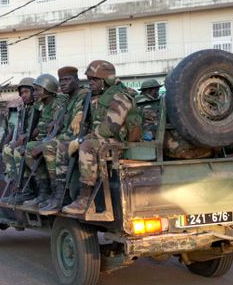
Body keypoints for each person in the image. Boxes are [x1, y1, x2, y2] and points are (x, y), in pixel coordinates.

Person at [62, 60, 141, 215]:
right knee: (64, 146)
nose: (90, 83)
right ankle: (62, 193)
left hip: (123, 143)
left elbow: (110, 127)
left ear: (106, 80)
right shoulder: (98, 96)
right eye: (89, 79)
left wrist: (81, 140)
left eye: (94, 80)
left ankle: (84, 200)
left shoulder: (120, 96)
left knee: (87, 145)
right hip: (108, 141)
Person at [38, 66, 90, 214]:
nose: (63, 83)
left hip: (78, 135)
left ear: (77, 80)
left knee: (50, 146)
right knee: (41, 145)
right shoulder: (68, 98)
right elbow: (60, 119)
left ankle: (61, 194)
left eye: (67, 80)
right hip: (67, 134)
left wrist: (79, 114)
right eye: (61, 80)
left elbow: (81, 111)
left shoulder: (83, 93)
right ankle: (54, 193)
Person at [15, 74, 67, 205]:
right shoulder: (43, 105)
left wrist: (42, 144)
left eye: (37, 90)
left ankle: (55, 191)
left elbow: (56, 128)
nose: (34, 94)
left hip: (57, 140)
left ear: (47, 90)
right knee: (27, 149)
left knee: (41, 148)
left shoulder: (57, 104)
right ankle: (43, 191)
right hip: (46, 139)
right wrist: (27, 136)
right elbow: (40, 127)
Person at [1, 77, 36, 204]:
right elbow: (18, 128)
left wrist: (26, 136)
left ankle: (28, 190)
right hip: (26, 140)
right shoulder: (24, 109)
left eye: (26, 92)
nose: (23, 96)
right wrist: (13, 140)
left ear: (34, 91)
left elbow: (41, 127)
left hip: (36, 141)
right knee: (7, 150)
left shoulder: (39, 107)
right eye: (21, 93)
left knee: (18, 151)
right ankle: (17, 187)